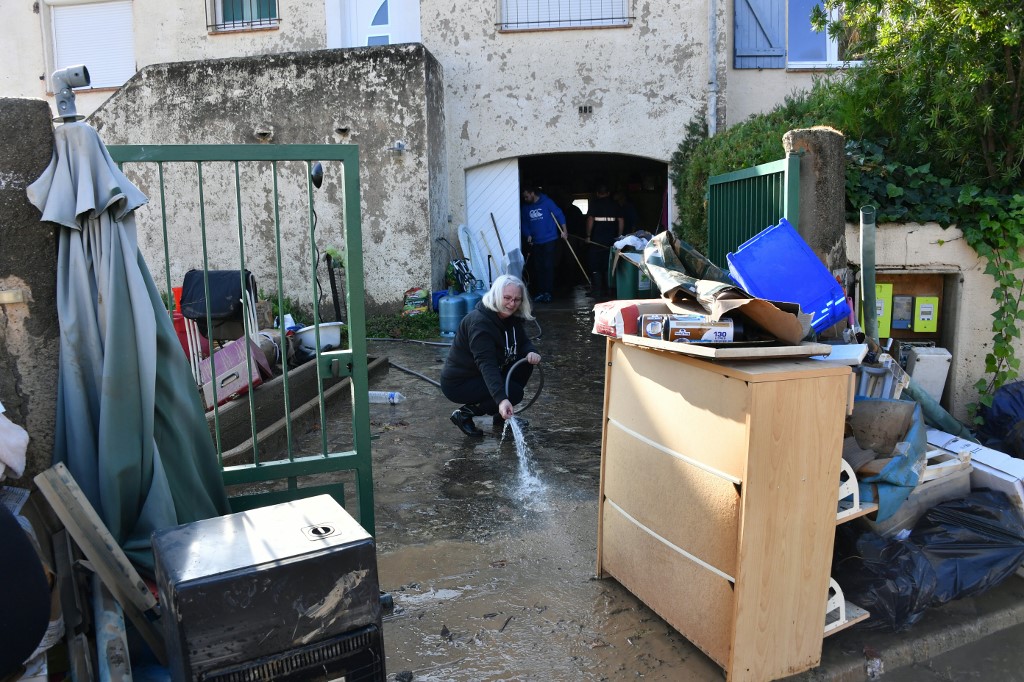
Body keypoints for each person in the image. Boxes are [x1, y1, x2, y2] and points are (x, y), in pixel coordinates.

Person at [440, 275, 542, 437]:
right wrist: (502, 399)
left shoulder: (512, 318)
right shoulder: (479, 323)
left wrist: (531, 352)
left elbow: (523, 342)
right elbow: (487, 365)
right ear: (495, 295)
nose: (512, 304)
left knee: (525, 363)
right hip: (461, 382)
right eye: (507, 298)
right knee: (514, 393)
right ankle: (465, 413)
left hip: (486, 373)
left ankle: (501, 416)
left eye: (517, 299)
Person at [519, 185, 566, 303]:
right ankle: (541, 292)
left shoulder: (547, 202)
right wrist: (527, 234)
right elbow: (524, 223)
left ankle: (548, 292)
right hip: (536, 241)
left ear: (532, 193)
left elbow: (559, 214)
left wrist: (565, 230)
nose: (525, 199)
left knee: (548, 266)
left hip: (549, 239)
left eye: (526, 196)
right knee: (538, 267)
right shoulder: (526, 207)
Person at [585, 183, 624, 299]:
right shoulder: (615, 204)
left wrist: (588, 235)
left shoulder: (594, 204)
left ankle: (597, 292)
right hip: (611, 241)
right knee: (608, 264)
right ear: (608, 193)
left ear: (597, 193)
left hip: (596, 240)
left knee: (596, 265)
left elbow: (590, 219)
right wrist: (620, 237)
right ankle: (609, 292)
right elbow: (621, 220)